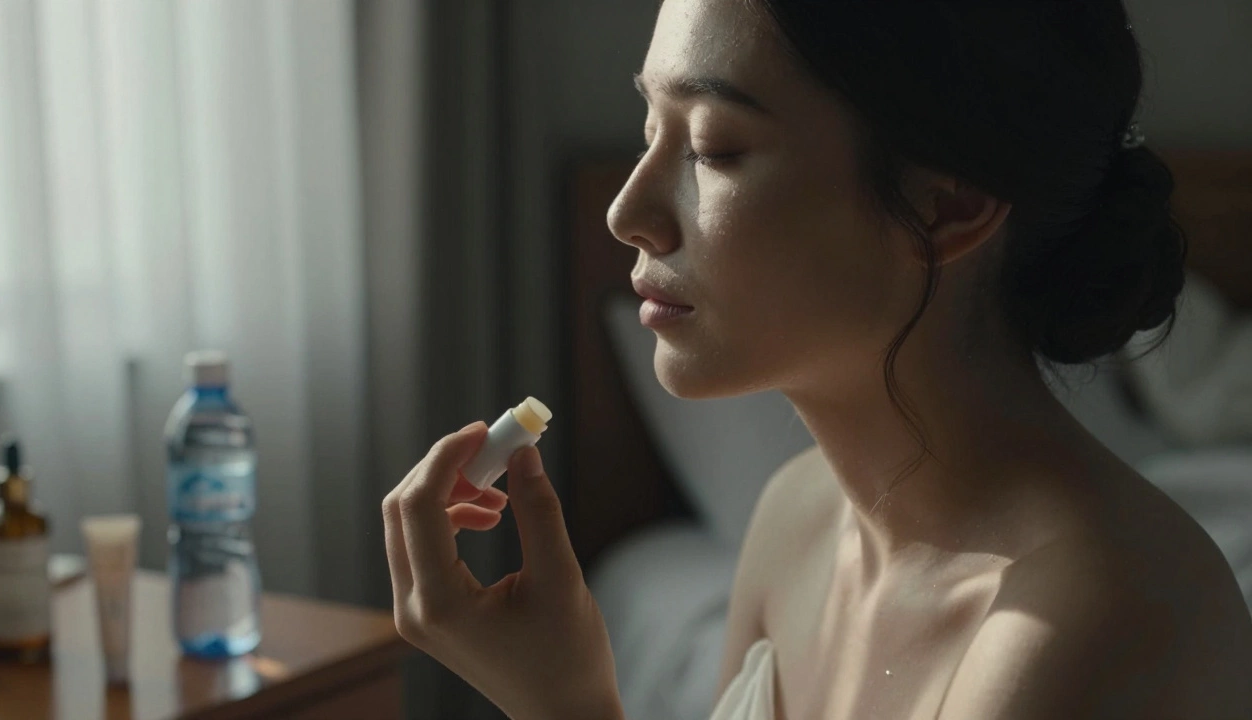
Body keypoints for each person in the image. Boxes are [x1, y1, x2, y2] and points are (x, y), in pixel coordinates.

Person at [382, 1, 1252, 718]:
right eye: (649, 125)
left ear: (949, 205)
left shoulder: (1093, 620)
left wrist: (564, 706)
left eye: (715, 148)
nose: (628, 210)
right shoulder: (796, 520)